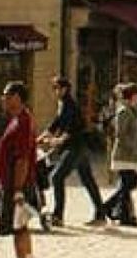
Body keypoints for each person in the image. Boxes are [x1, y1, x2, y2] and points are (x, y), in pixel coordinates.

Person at [39, 76, 105, 227]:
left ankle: (58, 216)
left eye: (57, 88)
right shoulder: (62, 104)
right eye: (54, 88)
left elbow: (70, 129)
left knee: (57, 177)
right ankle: (100, 213)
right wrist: (41, 137)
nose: (55, 91)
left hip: (75, 147)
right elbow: (55, 124)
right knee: (88, 180)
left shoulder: (70, 105)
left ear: (65, 89)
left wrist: (56, 141)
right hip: (77, 147)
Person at [0, 82, 40, 258]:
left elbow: (22, 159)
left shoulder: (22, 122)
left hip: (18, 185)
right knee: (21, 227)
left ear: (17, 97)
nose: (2, 99)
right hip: (16, 183)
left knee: (18, 228)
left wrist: (18, 190)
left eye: (6, 95)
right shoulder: (20, 119)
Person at [101, 83, 137, 227]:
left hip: (132, 155)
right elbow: (121, 133)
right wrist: (132, 147)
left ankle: (115, 210)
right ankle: (116, 211)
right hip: (125, 154)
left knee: (128, 184)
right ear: (132, 96)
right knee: (128, 184)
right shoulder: (124, 111)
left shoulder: (132, 110)